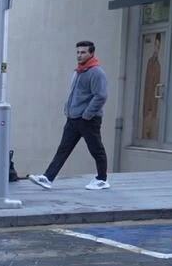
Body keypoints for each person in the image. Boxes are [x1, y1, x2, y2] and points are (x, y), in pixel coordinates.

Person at [28, 41, 110, 191]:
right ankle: (48, 177)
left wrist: (87, 114)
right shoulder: (78, 71)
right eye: (78, 52)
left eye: (83, 52)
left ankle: (102, 179)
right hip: (73, 118)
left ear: (91, 53)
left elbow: (101, 96)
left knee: (96, 149)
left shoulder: (96, 72)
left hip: (88, 120)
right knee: (63, 149)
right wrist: (69, 110)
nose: (79, 55)